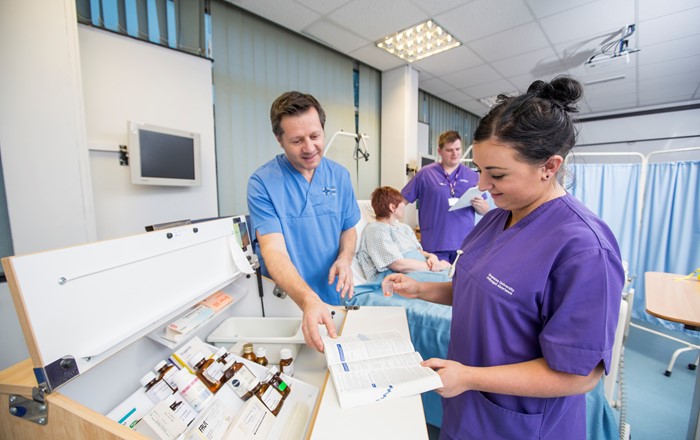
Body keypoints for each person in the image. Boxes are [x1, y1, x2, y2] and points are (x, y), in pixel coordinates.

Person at [385, 77, 624, 439]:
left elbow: (580, 374)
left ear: (549, 165)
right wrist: (419, 290)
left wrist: (469, 376)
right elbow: (478, 291)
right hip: (468, 411)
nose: (481, 184)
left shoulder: (584, 249)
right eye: (480, 169)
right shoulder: (498, 216)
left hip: (521, 424)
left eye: (496, 174)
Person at [247, 91, 360, 352]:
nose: (309, 148)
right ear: (279, 139)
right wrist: (308, 299)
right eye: (297, 140)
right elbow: (272, 250)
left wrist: (345, 259)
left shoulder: (339, 176)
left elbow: (348, 228)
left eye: (315, 136)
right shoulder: (262, 183)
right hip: (289, 301)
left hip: (333, 296)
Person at [402, 130, 489, 263]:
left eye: (458, 149)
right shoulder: (425, 174)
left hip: (463, 244)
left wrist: (481, 206)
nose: (455, 153)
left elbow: (485, 210)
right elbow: (401, 201)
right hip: (435, 244)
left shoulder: (472, 176)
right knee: (436, 281)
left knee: (460, 282)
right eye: (449, 150)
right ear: (439, 151)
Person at [356, 186, 451, 282]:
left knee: (455, 274)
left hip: (417, 269)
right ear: (392, 207)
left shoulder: (403, 228)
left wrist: (432, 257)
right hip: (395, 276)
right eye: (401, 202)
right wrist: (434, 267)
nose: (404, 205)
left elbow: (418, 252)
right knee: (449, 281)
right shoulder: (375, 230)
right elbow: (397, 265)